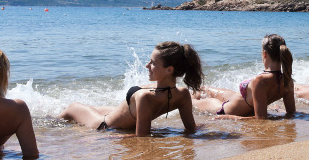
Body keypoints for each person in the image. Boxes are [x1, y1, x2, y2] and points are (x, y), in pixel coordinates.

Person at [60, 42, 204, 135]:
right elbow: (191, 129)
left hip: (103, 125)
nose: (147, 66)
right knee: (89, 108)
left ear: (169, 70)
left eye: (153, 63)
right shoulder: (182, 94)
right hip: (113, 115)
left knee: (73, 107)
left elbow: (142, 138)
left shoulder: (145, 97)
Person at [193, 34, 295, 119]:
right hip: (238, 101)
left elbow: (261, 119)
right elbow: (291, 112)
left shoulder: (260, 81)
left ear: (264, 54)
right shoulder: (287, 80)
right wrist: (276, 110)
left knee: (192, 100)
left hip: (224, 109)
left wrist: (233, 118)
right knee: (205, 89)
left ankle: (180, 94)